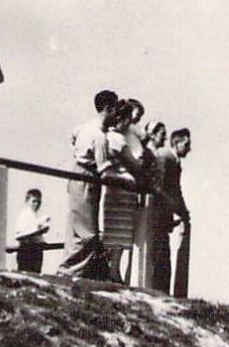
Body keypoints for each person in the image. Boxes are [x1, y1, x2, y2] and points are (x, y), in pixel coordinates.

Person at [57, 90, 117, 280]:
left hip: (76, 173)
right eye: (115, 110)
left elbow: (73, 135)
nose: (116, 115)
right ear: (107, 109)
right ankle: (70, 272)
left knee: (75, 225)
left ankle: (74, 270)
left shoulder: (85, 127)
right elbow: (104, 169)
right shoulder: (99, 135)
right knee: (87, 229)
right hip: (87, 179)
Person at [99, 99, 152, 284]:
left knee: (119, 233)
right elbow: (132, 163)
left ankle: (114, 271)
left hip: (122, 189)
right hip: (120, 188)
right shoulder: (115, 138)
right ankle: (112, 271)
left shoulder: (118, 136)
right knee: (116, 232)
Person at [145, 126, 190, 293]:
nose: (189, 149)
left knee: (164, 257)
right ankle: (158, 292)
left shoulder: (174, 161)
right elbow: (160, 188)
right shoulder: (165, 158)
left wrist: (182, 212)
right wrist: (176, 208)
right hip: (157, 216)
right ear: (177, 143)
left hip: (164, 216)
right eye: (186, 144)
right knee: (159, 257)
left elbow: (176, 190)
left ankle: (162, 291)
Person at [12, 188, 52, 273]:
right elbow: (18, 236)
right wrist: (38, 231)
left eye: (39, 202)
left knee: (36, 278)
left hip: (37, 251)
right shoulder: (23, 215)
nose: (36, 204)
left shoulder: (36, 216)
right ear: (27, 201)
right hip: (27, 251)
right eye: (34, 201)